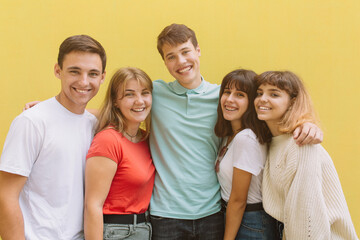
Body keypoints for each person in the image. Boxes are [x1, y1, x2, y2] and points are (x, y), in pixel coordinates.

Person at [149, 23, 323, 240]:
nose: (181, 61)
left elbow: (273, 102)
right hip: (166, 214)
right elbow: (117, 106)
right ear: (164, 62)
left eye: (185, 52)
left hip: (212, 213)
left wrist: (306, 123)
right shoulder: (154, 93)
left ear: (198, 51)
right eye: (171, 56)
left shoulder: (221, 98)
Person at [0, 35, 106, 239]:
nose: (84, 82)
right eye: (75, 71)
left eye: (92, 74)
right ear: (58, 70)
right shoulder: (31, 122)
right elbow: (6, 196)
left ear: (102, 77)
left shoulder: (93, 124)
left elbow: (122, 114)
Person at [255, 71, 358, 239]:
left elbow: (306, 216)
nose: (262, 99)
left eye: (274, 94)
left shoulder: (300, 144)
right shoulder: (274, 142)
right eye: (259, 93)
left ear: (292, 102)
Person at [84, 67, 155, 240]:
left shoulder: (146, 138)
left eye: (144, 93)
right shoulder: (108, 140)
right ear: (115, 101)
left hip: (143, 229)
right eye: (129, 95)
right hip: (115, 232)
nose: (139, 101)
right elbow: (92, 205)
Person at [214, 69, 277, 240]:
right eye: (227, 92)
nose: (229, 99)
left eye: (240, 94)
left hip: (250, 222)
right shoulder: (231, 136)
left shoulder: (246, 138)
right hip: (238, 218)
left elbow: (238, 200)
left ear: (251, 102)